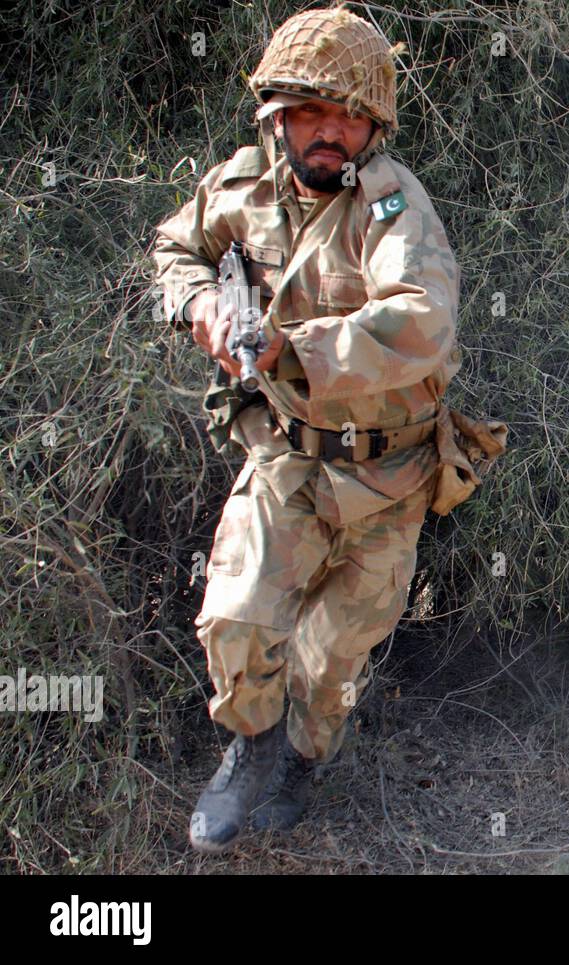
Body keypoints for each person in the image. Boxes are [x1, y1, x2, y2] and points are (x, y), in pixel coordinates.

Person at [153, 7, 462, 852]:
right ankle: (250, 747)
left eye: (351, 116)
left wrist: (293, 344)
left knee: (330, 665)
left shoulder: (394, 203)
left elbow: (423, 320)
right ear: (275, 116)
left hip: (389, 477)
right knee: (234, 620)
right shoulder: (238, 187)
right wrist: (201, 305)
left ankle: (300, 760)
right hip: (286, 454)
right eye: (312, 113)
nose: (332, 133)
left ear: (373, 128)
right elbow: (173, 252)